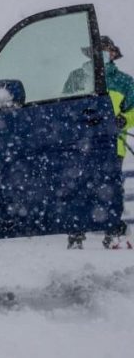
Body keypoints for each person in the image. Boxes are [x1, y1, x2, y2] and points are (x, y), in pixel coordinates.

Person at [67, 35, 134, 249]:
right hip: (82, 143)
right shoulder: (76, 77)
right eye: (100, 49)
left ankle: (112, 231)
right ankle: (76, 233)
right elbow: (65, 106)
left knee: (111, 188)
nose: (104, 53)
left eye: (107, 49)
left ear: (114, 54)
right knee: (79, 186)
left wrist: (125, 119)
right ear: (91, 53)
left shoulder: (125, 82)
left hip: (113, 144)